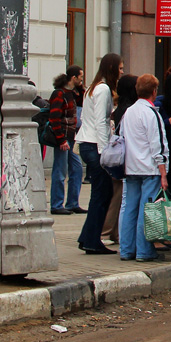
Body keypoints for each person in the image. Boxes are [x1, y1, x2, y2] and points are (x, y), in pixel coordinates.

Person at [119, 73, 170, 262]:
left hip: (130, 167)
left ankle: (126, 249)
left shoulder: (129, 112)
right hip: (149, 168)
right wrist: (163, 171)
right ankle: (144, 251)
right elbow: (158, 145)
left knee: (130, 209)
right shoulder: (151, 113)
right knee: (147, 210)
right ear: (154, 91)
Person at [76, 53, 123, 255]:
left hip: (88, 142)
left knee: (100, 193)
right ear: (112, 68)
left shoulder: (92, 88)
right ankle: (92, 240)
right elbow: (101, 122)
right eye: (120, 68)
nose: (122, 72)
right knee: (101, 194)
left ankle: (87, 237)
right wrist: (105, 152)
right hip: (95, 144)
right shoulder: (103, 89)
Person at [101, 75, 138, 245]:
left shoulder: (122, 107)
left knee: (118, 194)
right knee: (118, 196)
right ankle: (107, 231)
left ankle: (114, 232)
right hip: (124, 156)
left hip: (120, 156)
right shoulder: (129, 108)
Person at [48, 72, 84, 215]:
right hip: (62, 138)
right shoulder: (59, 94)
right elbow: (54, 117)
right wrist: (61, 139)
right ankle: (57, 205)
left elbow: (82, 100)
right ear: (73, 78)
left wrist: (81, 88)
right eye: (80, 76)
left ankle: (72, 203)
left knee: (77, 169)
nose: (82, 78)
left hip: (71, 137)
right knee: (60, 171)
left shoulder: (72, 94)